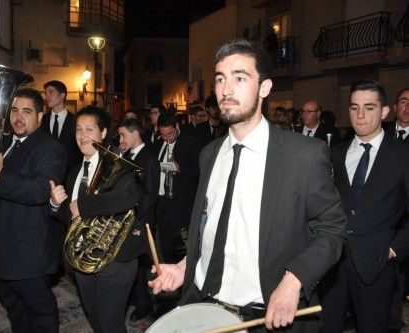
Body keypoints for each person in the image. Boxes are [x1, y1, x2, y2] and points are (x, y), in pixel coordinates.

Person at [149, 38, 346, 332]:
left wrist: (294, 281)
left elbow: (333, 230)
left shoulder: (302, 155)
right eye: (220, 79)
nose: (226, 90)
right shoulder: (210, 154)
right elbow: (212, 227)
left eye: (240, 78)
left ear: (264, 88)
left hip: (265, 317)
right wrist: (184, 266)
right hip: (202, 304)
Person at [0, 88, 67, 332]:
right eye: (15, 111)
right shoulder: (2, 143)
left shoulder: (51, 148)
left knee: (41, 316)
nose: (18, 117)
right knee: (15, 312)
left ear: (40, 117)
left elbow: (40, 190)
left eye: (27, 112)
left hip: (28, 254)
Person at [320, 80, 409, 333]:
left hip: (378, 266)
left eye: (369, 108)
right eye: (354, 107)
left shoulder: (402, 155)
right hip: (332, 266)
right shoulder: (333, 153)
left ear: (384, 112)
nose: (360, 115)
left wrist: (394, 248)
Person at [49, 106, 140, 333]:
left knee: (110, 324)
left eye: (89, 129)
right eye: (79, 129)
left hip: (116, 261)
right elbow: (70, 215)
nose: (82, 135)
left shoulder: (120, 166)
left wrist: (83, 205)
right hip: (84, 260)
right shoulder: (74, 171)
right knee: (95, 319)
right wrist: (55, 204)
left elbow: (127, 197)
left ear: (103, 132)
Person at [118, 118, 160, 321]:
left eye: (122, 135)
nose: (120, 139)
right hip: (127, 219)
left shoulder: (149, 159)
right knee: (130, 265)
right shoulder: (127, 155)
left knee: (140, 268)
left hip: (140, 221)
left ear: (135, 134)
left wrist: (137, 223)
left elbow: (150, 195)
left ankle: (145, 305)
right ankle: (135, 299)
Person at [155, 112, 201, 263]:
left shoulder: (191, 142)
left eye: (170, 134)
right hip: (162, 201)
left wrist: (180, 168)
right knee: (164, 239)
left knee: (181, 243)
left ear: (177, 126)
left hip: (182, 203)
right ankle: (168, 267)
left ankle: (182, 274)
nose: (167, 138)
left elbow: (199, 170)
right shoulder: (158, 143)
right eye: (163, 135)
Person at [41, 80, 82, 173]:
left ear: (62, 95)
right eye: (45, 93)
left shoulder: (75, 121)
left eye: (50, 92)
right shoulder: (41, 120)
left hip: (69, 174)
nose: (46, 97)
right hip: (44, 173)